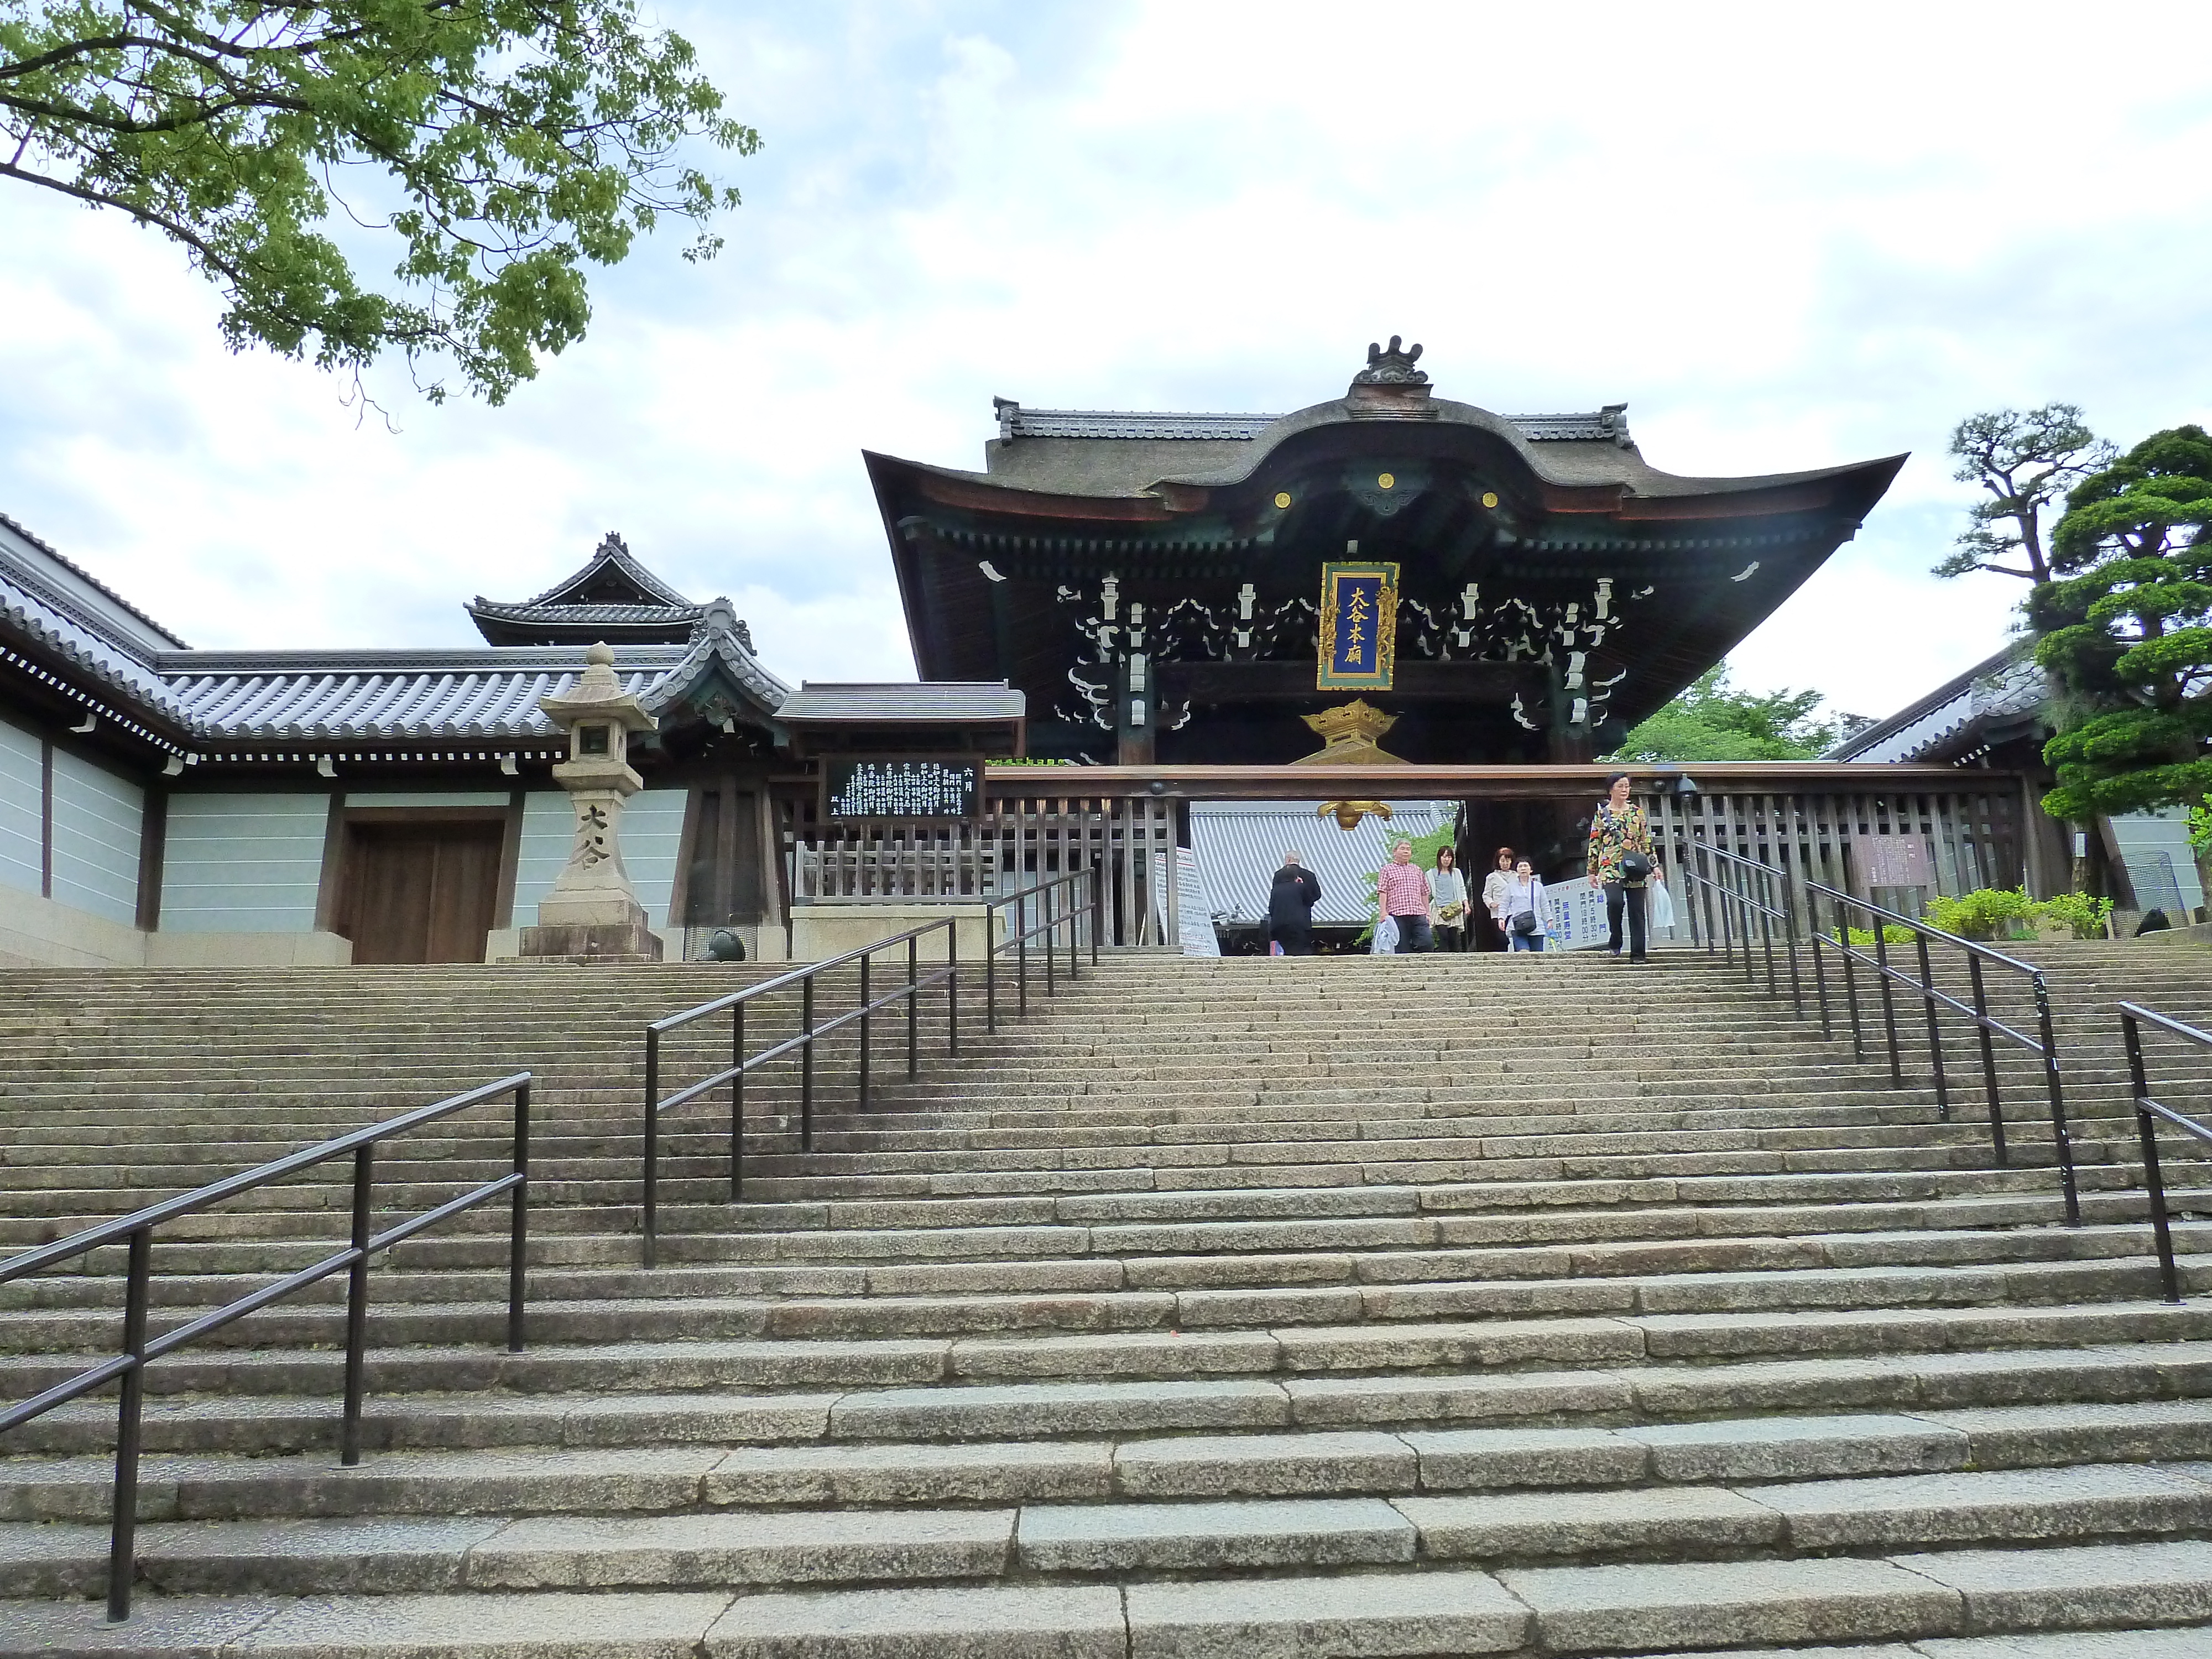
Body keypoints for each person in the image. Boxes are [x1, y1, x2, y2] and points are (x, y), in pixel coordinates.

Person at [1587, 772, 1655, 961]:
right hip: (1610, 866)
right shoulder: (1602, 814)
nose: (1625, 790)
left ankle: (1638, 954)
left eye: (1627, 786)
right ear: (1611, 790)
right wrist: (1592, 871)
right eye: (1620, 786)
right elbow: (1595, 843)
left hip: (1635, 865)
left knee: (1637, 910)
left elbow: (1646, 840)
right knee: (1615, 902)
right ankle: (1615, 939)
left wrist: (1654, 865)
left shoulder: (1637, 812)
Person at [1376, 839, 1433, 953]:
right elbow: (1383, 891)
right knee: (1402, 948)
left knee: (1427, 943)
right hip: (1397, 915)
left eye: (1408, 849)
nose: (1406, 852)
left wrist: (1428, 913)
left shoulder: (1416, 870)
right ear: (1395, 851)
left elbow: (1424, 892)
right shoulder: (1387, 870)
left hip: (1418, 913)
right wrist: (1383, 912)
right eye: (1403, 849)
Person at [1267, 851, 1322, 956]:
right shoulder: (1309, 875)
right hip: (1301, 920)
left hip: (1280, 918)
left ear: (1288, 860)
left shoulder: (1279, 875)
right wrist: (1305, 900)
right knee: (1301, 950)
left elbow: (1275, 898)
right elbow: (1317, 895)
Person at [1428, 846, 1470, 952]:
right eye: (1444, 856)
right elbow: (1426, 892)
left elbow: (1462, 888)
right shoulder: (1431, 874)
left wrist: (1466, 905)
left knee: (1454, 939)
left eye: (1449, 857)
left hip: (1454, 908)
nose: (1447, 859)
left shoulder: (1456, 873)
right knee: (1443, 936)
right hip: (1439, 909)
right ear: (1439, 858)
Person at [1501, 858, 1547, 951]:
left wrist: (1549, 920)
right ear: (1517, 870)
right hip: (1518, 925)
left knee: (1537, 956)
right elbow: (1504, 904)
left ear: (1531, 869)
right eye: (1520, 866)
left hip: (1536, 924)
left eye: (1526, 866)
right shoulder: (1510, 887)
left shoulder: (1538, 886)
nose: (1523, 868)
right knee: (1523, 952)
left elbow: (1544, 904)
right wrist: (1501, 918)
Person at [1480, 847, 1516, 952]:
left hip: (1514, 912)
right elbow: (1486, 895)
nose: (1505, 863)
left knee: (1515, 937)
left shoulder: (1516, 876)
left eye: (1508, 860)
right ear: (1498, 862)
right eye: (1503, 860)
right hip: (1498, 913)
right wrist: (1491, 904)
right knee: (1502, 939)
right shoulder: (1491, 877)